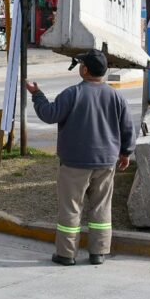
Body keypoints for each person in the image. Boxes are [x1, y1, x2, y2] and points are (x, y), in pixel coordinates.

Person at [25, 50, 134, 266]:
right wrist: (126, 152)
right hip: (106, 162)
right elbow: (127, 127)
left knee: (71, 208)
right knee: (101, 207)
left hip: (74, 163)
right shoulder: (116, 97)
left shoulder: (72, 94)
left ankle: (66, 254)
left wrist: (36, 94)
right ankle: (98, 253)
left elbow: (49, 114)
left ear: (84, 70)